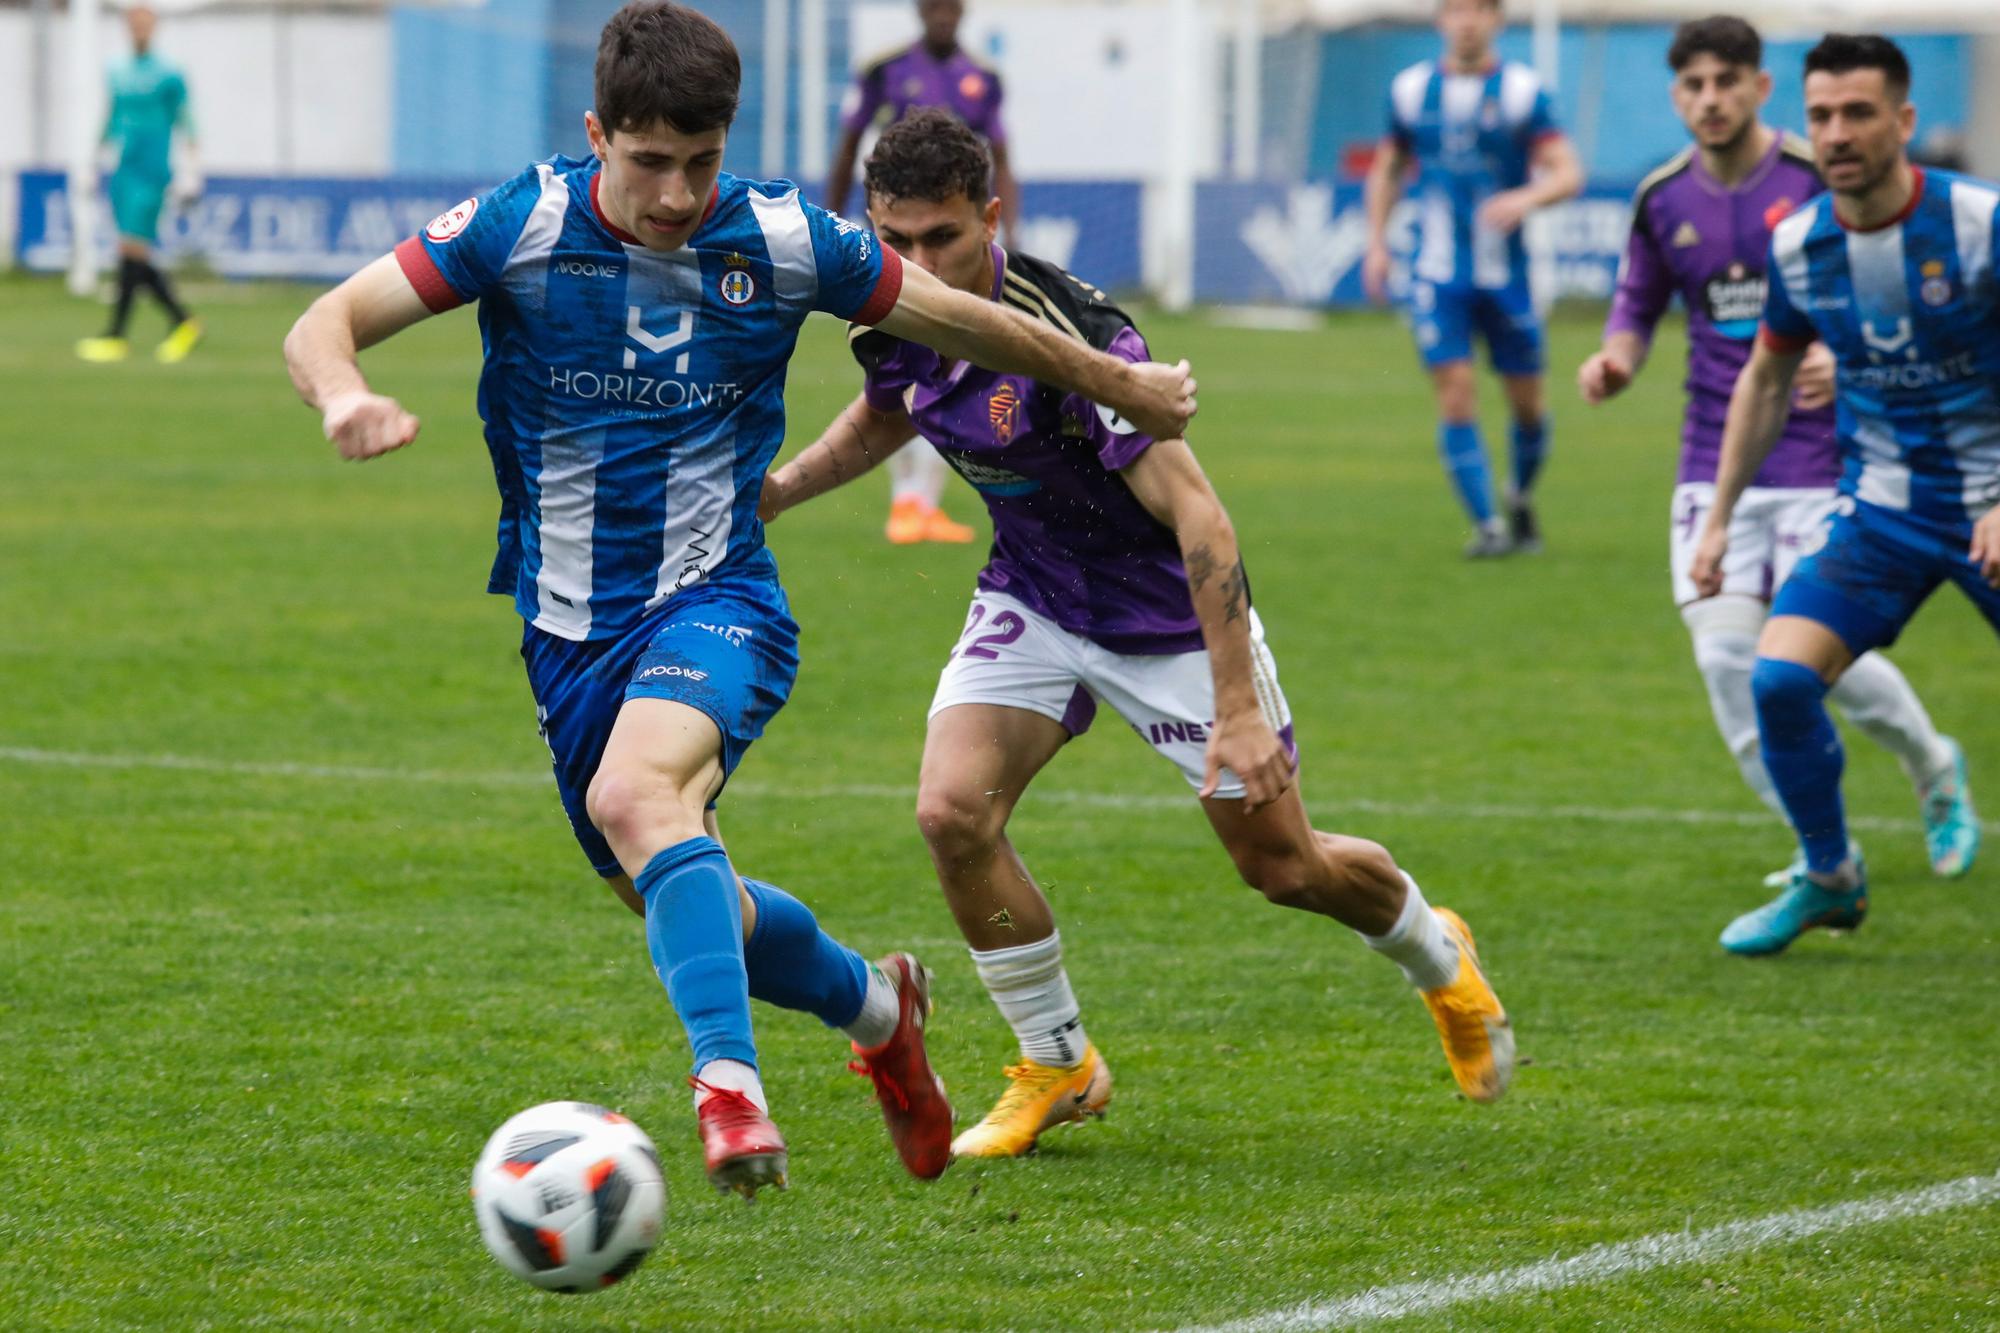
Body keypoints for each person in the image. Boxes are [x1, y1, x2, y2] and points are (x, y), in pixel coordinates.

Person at [281, 2, 1196, 1196]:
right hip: (564, 628)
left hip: (718, 595)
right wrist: (342, 394)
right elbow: (324, 321)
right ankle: (878, 1007)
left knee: (636, 794)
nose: (673, 193)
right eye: (648, 161)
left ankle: (729, 1091)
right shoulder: (523, 222)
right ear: (596, 131)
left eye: (700, 162)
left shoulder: (780, 240)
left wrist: (1113, 375)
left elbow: (966, 318)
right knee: (672, 878)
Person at [763, 109, 1514, 1159]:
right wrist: (782, 491)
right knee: (949, 813)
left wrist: (1239, 707)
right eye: (898, 240)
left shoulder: (1073, 335)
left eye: (943, 239)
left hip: (1164, 617)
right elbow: (890, 407)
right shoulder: (886, 305)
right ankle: (1057, 1062)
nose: (919, 264)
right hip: (1032, 592)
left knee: (1285, 869)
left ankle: (1437, 953)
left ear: (991, 216)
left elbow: (1199, 512)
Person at [1578, 16, 1975, 887]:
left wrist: (1848, 351)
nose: (1711, 100)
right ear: (1676, 94)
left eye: (1729, 81)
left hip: (1826, 455)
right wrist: (1616, 357)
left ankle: (1932, 766)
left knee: (1809, 656)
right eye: (1694, 85)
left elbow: (1896, 293)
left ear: (1762, 88)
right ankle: (1819, 848)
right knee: (1728, 660)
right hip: (1713, 453)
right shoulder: (1662, 198)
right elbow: (1637, 305)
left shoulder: (1820, 178)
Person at [1691, 33, 1997, 956]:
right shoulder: (1801, 243)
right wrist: (1716, 520)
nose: (1837, 132)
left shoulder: (1979, 224)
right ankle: (1829, 875)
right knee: (1778, 679)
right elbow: (1767, 381)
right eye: (1821, 115)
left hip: (1991, 503)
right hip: (1884, 514)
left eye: (1859, 112)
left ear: (1903, 120)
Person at [1363, 0, 1583, 558]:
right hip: (1438, 275)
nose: (1467, 20)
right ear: (1441, 20)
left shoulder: (1522, 92)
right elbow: (1388, 167)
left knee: (1528, 405)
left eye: (1479, 9)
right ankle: (1487, 527)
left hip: (1506, 274)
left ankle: (1519, 494)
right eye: (1456, 9)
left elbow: (1568, 172)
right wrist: (1377, 244)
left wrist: (1526, 196)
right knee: (1456, 396)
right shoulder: (1411, 90)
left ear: (1496, 20)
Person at [827, 0, 1018, 547]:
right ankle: (910, 501)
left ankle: (917, 503)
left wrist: (1009, 229)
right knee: (910, 359)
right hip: (899, 240)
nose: (942, 15)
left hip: (950, 243)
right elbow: (849, 148)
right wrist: (827, 222)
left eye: (951, 7)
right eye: (933, 6)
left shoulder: (983, 78)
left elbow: (1002, 154)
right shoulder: (885, 70)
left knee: (944, 363)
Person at [76, 2, 203, 365]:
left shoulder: (169, 73)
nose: (139, 30)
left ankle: (120, 334)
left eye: (145, 24)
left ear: (154, 27)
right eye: (134, 24)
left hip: (153, 170)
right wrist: (92, 160)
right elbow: (110, 115)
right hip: (123, 169)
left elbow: (187, 119)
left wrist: (192, 170)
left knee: (131, 248)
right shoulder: (116, 69)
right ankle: (180, 322)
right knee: (131, 252)